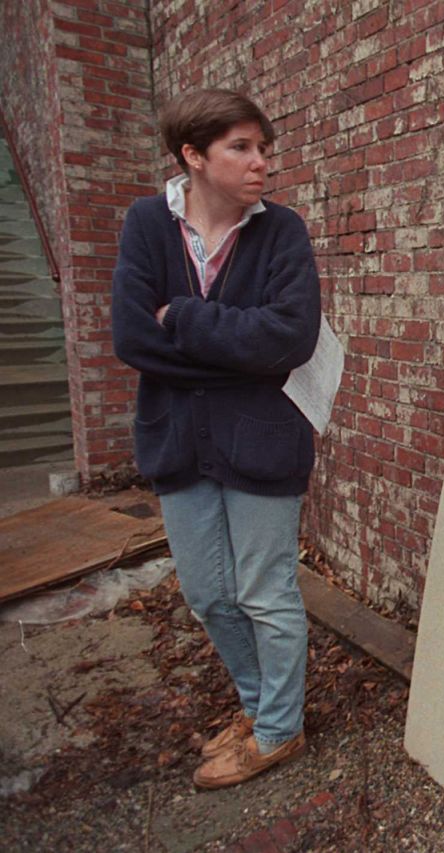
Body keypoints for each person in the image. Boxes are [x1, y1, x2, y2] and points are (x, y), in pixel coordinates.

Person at [111, 89, 321, 789]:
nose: (261, 161)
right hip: (177, 438)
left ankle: (278, 731)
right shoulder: (146, 224)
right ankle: (264, 707)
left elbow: (290, 337)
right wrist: (237, 351)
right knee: (208, 593)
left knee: (266, 591)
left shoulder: (281, 231)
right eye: (241, 147)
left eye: (264, 147)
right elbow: (133, 336)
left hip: (262, 439)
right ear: (193, 156)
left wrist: (186, 318)